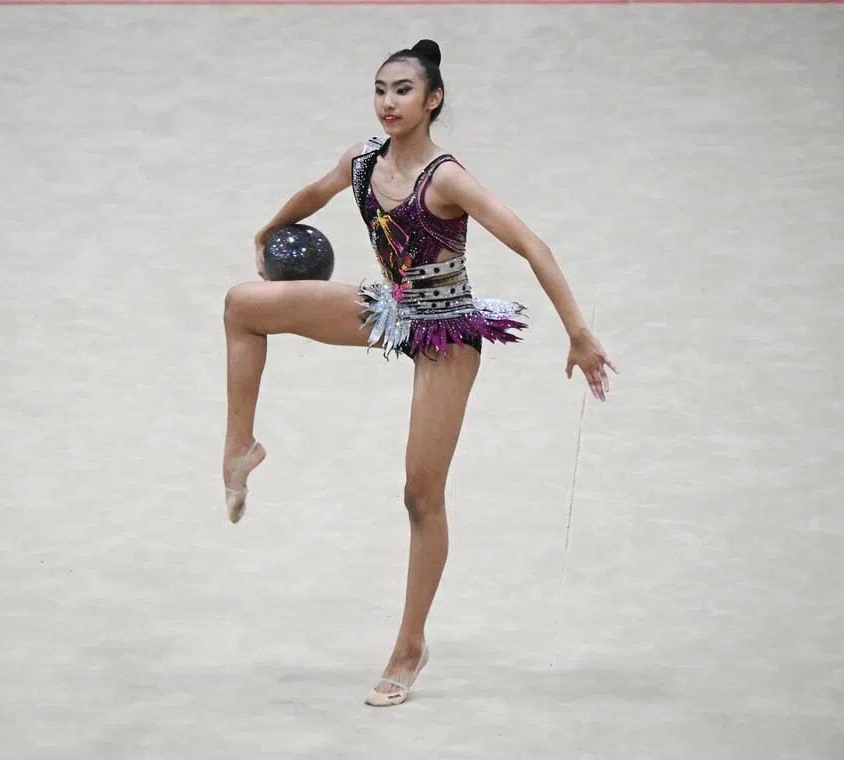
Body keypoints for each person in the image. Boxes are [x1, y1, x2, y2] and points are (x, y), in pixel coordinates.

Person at [222, 39, 618, 707]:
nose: (388, 102)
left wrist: (579, 334)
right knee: (242, 305)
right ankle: (240, 448)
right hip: (390, 309)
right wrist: (269, 231)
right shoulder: (362, 162)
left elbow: (531, 244)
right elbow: (314, 193)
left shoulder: (448, 178)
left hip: (447, 332)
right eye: (380, 89)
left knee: (420, 494)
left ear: (432, 99)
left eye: (403, 90)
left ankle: (410, 646)